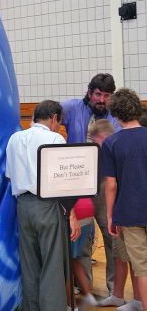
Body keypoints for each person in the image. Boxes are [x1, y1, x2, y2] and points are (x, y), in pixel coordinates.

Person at [6, 100, 80, 311]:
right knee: (53, 263)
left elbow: (10, 176)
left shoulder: (14, 139)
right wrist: (71, 214)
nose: (60, 127)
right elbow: (62, 181)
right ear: (54, 118)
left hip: (22, 205)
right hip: (47, 204)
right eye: (60, 122)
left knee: (30, 264)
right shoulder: (55, 138)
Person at [62, 73, 120, 292]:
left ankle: (114, 289)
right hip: (78, 184)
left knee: (111, 235)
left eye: (106, 95)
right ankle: (83, 288)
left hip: (106, 182)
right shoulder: (73, 108)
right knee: (82, 237)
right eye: (98, 94)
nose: (102, 99)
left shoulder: (115, 116)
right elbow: (47, 116)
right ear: (89, 93)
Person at [89, 120, 142, 310]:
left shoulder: (117, 147)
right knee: (119, 254)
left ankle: (138, 299)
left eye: (98, 142)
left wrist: (112, 215)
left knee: (133, 256)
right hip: (118, 207)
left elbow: (113, 184)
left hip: (126, 209)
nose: (97, 146)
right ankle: (117, 295)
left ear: (105, 137)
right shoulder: (105, 148)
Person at [102, 88, 147, 311]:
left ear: (116, 115)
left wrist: (110, 215)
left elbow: (111, 184)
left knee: (142, 267)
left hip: (129, 212)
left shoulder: (111, 143)